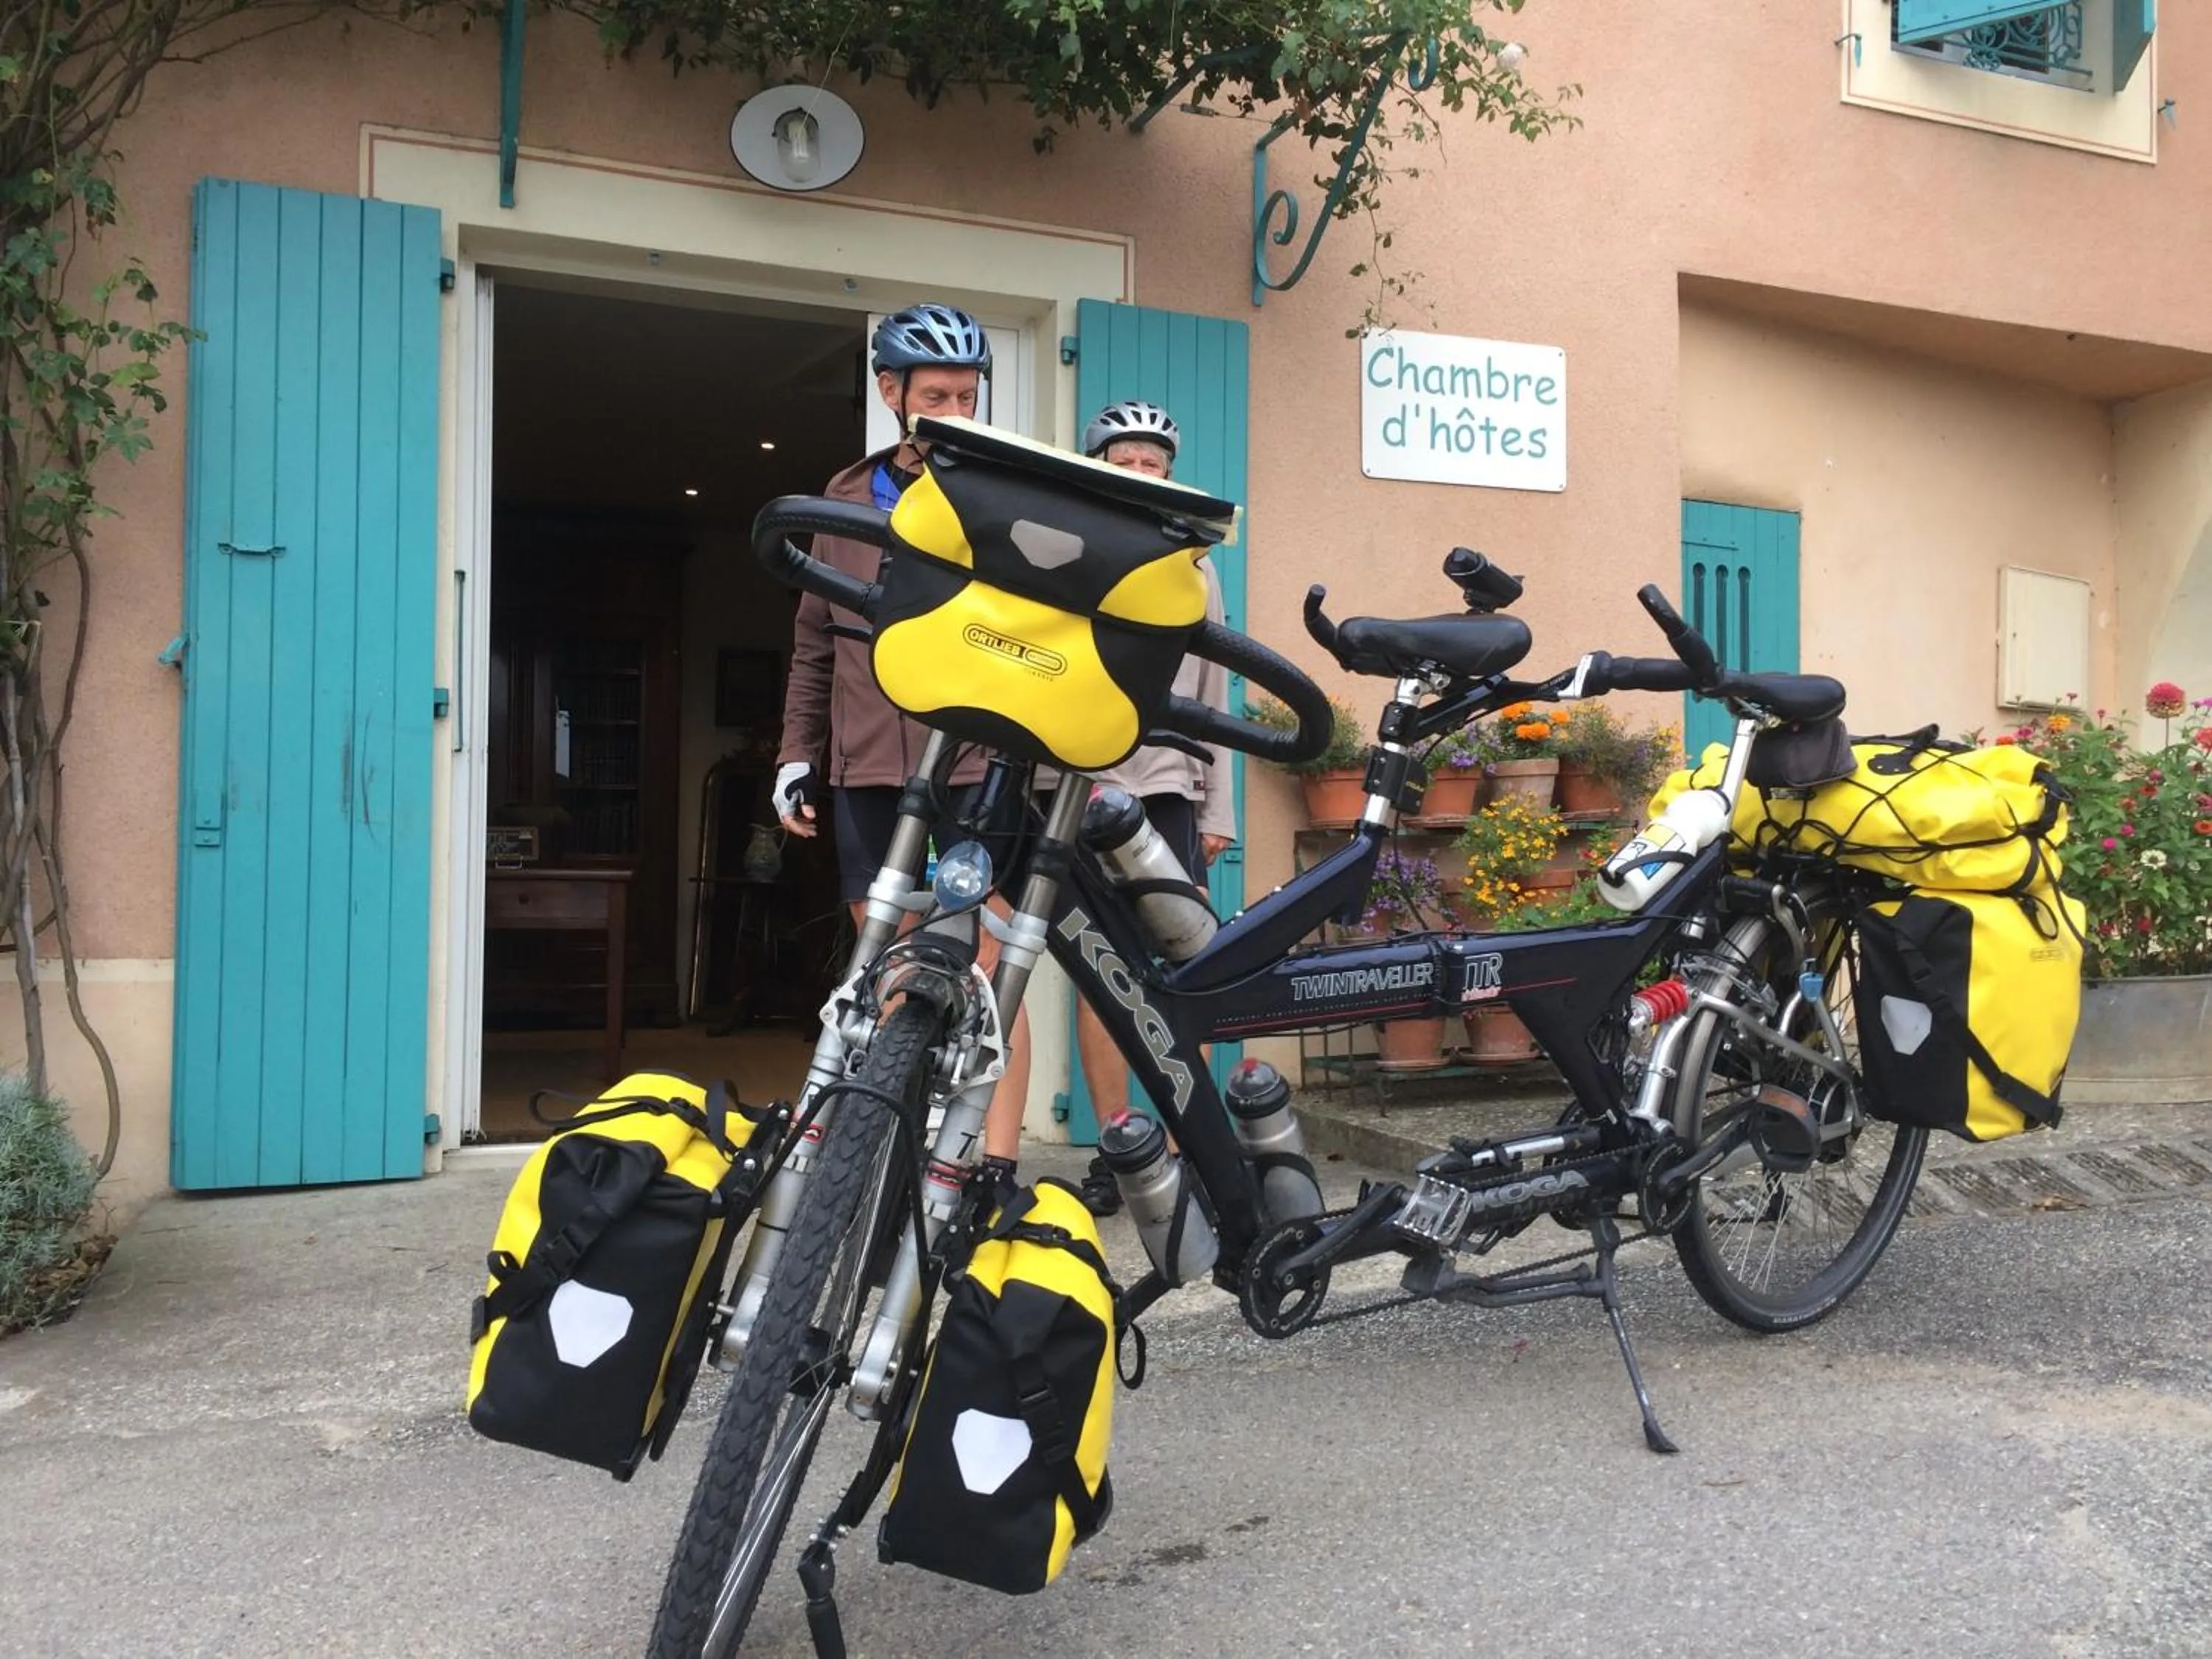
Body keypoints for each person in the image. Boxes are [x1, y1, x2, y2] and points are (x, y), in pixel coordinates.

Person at [771, 302, 1029, 1186]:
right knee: (887, 960)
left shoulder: (1003, 494)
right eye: (936, 397)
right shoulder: (843, 499)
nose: (955, 412)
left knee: (987, 965)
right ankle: (890, 1154)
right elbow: (814, 643)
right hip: (869, 767)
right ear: (891, 393)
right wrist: (797, 756)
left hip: (971, 764)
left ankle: (993, 1166)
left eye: (967, 396)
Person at [1070, 400, 1237, 1216]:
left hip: (1168, 785)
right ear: (1098, 469)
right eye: (1125, 462)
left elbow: (1215, 690)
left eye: (1153, 464)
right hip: (1076, 787)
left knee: (1184, 975)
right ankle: (1117, 1148)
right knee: (1099, 977)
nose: (1141, 474)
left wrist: (1217, 809)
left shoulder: (1196, 562)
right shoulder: (1068, 544)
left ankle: (1183, 1145)